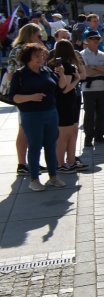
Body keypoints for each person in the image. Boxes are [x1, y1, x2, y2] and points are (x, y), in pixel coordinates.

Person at [9, 42, 69, 191]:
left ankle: (53, 177)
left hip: (51, 113)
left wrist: (61, 74)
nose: (41, 58)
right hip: (31, 115)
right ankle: (34, 180)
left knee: (50, 146)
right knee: (35, 147)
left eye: (42, 55)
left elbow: (61, 87)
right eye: (37, 56)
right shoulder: (20, 74)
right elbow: (13, 97)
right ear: (28, 57)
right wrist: (31, 97)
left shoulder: (46, 70)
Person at [7, 23, 43, 175]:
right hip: (25, 95)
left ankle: (31, 162)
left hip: (32, 94)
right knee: (24, 129)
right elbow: (12, 73)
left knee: (31, 130)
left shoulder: (29, 49)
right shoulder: (20, 50)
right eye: (38, 35)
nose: (41, 38)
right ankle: (22, 164)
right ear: (30, 34)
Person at [50, 39, 86, 172]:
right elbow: (65, 89)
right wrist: (76, 79)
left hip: (59, 103)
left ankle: (71, 161)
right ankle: (61, 164)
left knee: (69, 134)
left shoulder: (52, 64)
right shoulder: (68, 66)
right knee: (65, 136)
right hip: (66, 103)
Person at [79, 32, 104, 148]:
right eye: (93, 39)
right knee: (89, 114)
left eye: (98, 38)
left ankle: (99, 136)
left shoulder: (103, 55)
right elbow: (86, 72)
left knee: (102, 113)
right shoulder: (82, 55)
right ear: (87, 40)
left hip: (102, 88)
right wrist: (100, 70)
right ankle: (88, 138)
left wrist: (94, 67)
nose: (96, 41)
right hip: (89, 90)